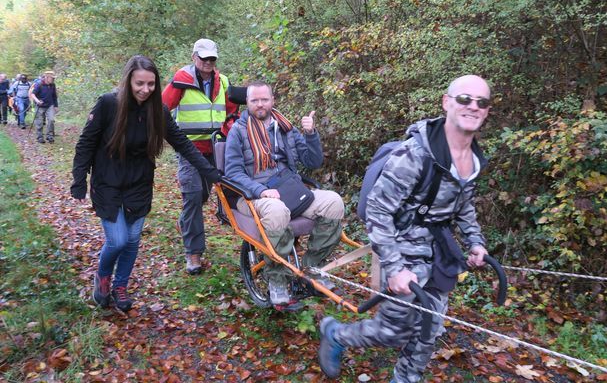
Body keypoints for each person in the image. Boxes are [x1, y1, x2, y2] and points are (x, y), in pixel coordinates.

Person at [318, 75, 492, 383]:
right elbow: (377, 209)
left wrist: (475, 243)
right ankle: (337, 335)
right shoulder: (415, 153)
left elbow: (463, 206)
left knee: (430, 327)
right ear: (446, 102)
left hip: (439, 248)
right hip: (401, 244)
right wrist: (395, 268)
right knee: (392, 330)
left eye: (482, 102)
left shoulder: (473, 157)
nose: (473, 107)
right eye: (464, 99)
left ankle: (406, 378)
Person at [71, 55, 221, 312]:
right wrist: (79, 179)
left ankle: (120, 285)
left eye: (151, 84)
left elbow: (183, 143)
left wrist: (211, 172)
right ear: (128, 80)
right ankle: (103, 276)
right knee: (117, 240)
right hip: (107, 182)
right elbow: (86, 143)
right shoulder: (108, 104)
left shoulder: (158, 111)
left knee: (131, 240)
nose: (145, 90)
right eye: (140, 83)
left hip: (139, 183)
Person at [224, 81, 344, 307]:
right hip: (251, 195)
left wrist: (310, 134)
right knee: (277, 211)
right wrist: (261, 190)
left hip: (289, 190)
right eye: (254, 100)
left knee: (334, 202)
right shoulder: (238, 132)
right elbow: (232, 172)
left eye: (264, 99)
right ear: (247, 103)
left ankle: (311, 269)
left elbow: (313, 161)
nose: (260, 104)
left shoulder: (286, 128)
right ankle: (277, 280)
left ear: (272, 100)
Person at [162, 38, 239, 275]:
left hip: (216, 151)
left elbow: (232, 112)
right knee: (193, 195)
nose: (208, 62)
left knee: (202, 195)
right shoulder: (181, 81)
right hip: (189, 149)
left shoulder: (223, 82)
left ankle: (186, 222)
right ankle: (193, 254)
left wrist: (227, 133)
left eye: (212, 58)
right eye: (203, 57)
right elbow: (161, 109)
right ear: (194, 57)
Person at [30, 70, 59, 143]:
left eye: (54, 78)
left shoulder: (53, 85)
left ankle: (50, 136)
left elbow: (54, 96)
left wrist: (56, 106)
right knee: (39, 122)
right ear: (46, 77)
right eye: (52, 78)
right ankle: (39, 137)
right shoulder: (39, 84)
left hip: (50, 105)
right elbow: (33, 94)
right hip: (40, 106)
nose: (53, 79)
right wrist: (37, 101)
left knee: (51, 120)